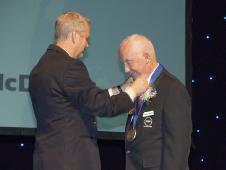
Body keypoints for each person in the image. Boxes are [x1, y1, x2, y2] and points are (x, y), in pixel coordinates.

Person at [29, 12, 149, 170]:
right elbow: (102, 106)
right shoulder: (70, 66)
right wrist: (134, 90)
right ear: (74, 35)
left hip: (47, 160)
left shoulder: (40, 68)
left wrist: (121, 89)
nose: (87, 44)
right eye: (85, 38)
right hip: (71, 161)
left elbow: (87, 98)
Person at [119, 34, 192, 170]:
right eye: (123, 63)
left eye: (129, 62)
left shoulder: (172, 89)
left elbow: (177, 148)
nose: (126, 69)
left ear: (147, 57)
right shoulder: (137, 87)